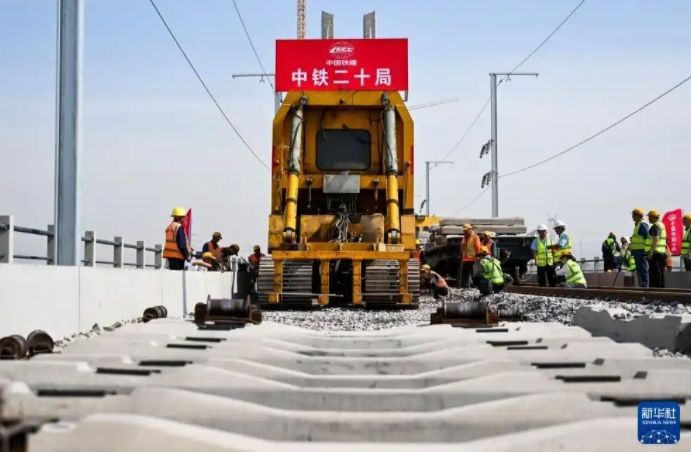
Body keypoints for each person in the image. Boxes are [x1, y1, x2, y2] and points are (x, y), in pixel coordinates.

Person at [646, 210, 667, 288]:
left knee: (655, 273)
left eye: (649, 217)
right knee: (660, 272)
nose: (648, 219)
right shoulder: (662, 225)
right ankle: (661, 288)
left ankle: (656, 289)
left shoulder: (656, 226)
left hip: (656, 253)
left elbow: (656, 238)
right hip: (661, 252)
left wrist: (651, 251)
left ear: (653, 217)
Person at [630, 208, 650, 287]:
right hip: (637, 251)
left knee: (643, 269)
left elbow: (647, 238)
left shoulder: (642, 224)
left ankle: (645, 287)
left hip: (641, 251)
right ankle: (642, 286)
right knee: (639, 270)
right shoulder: (638, 225)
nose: (632, 217)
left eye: (633, 215)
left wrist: (646, 251)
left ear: (638, 216)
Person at [460, 224, 483, 288]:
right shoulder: (464, 237)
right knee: (465, 273)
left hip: (473, 258)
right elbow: (462, 247)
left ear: (470, 230)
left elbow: (478, 247)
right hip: (465, 258)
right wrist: (462, 255)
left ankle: (475, 286)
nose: (464, 232)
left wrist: (478, 256)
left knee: (473, 273)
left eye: (465, 231)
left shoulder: (475, 237)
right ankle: (466, 286)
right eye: (464, 231)